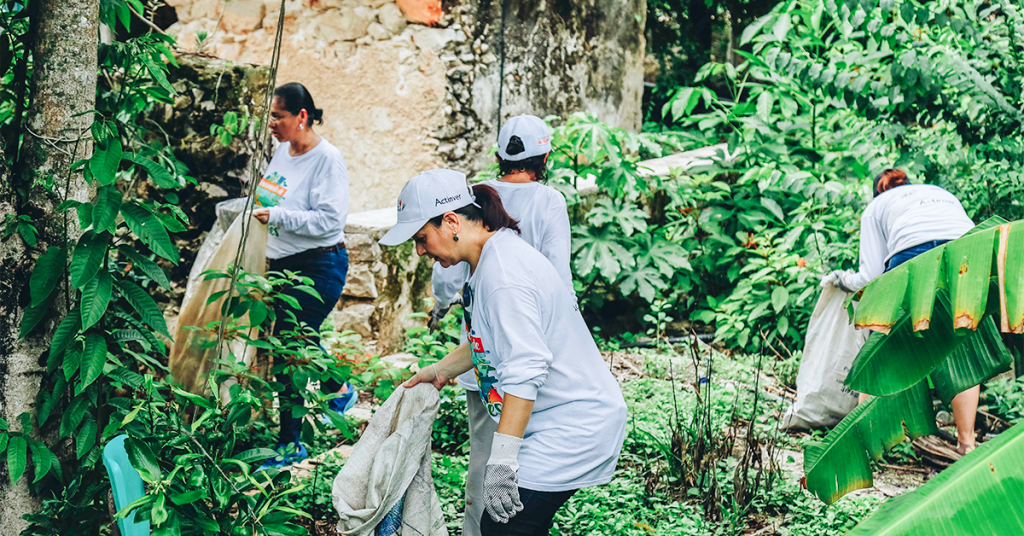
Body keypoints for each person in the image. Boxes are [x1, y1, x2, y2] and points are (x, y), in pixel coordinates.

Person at [382, 169, 627, 535]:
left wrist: (502, 460)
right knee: (515, 525)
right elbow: (490, 339)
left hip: (573, 425)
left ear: (451, 222)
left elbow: (525, 368)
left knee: (503, 526)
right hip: (558, 422)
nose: (420, 251)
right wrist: (441, 370)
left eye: (421, 238)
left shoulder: (503, 275)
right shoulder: (491, 258)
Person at [427, 115, 574, 536]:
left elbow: (447, 270)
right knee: (527, 454)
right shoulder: (549, 201)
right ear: (545, 157)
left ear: (498, 156)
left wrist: (441, 306)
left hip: (484, 355)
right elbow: (558, 277)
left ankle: (480, 530)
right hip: (534, 352)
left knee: (484, 454)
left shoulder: (474, 197)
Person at [822, 169, 979, 454]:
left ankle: (865, 442)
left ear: (877, 192)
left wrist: (842, 279)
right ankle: (967, 443)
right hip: (967, 251)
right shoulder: (937, 191)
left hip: (912, 253)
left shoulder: (876, 207)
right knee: (959, 347)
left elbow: (870, 276)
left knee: (884, 344)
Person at [250, 82, 355, 465]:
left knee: (289, 349)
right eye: (270, 116)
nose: (271, 124)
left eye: (278, 116)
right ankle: (338, 387)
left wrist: (278, 217)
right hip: (282, 267)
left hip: (319, 265)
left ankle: (290, 444)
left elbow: (330, 221)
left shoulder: (328, 160)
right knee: (295, 341)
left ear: (302, 116)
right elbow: (270, 199)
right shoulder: (282, 152)